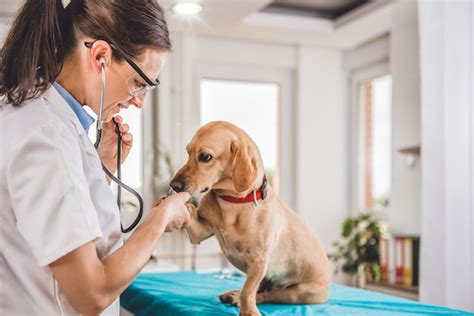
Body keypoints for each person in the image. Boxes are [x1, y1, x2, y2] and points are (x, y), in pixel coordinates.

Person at [0, 1, 190, 315]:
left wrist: (101, 167)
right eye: (139, 82)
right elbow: (91, 293)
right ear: (100, 55)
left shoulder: (25, 112)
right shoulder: (48, 136)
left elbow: (46, 221)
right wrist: (161, 218)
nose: (139, 101)